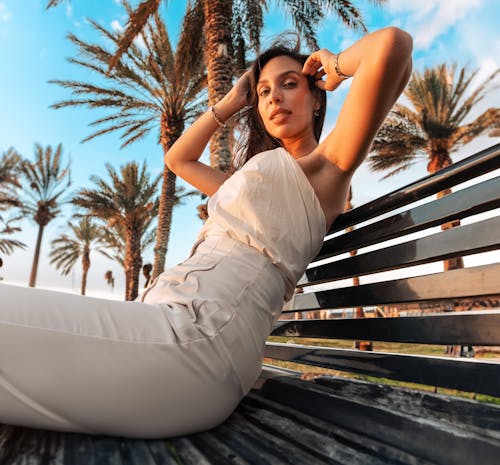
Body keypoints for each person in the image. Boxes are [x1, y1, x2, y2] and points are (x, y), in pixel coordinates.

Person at [0, 27, 412, 439]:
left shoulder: (326, 167)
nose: (274, 98)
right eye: (264, 92)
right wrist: (234, 100)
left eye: (290, 84)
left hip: (197, 342)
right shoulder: (249, 184)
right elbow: (177, 158)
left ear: (316, 96)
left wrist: (335, 67)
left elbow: (393, 46)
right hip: (167, 325)